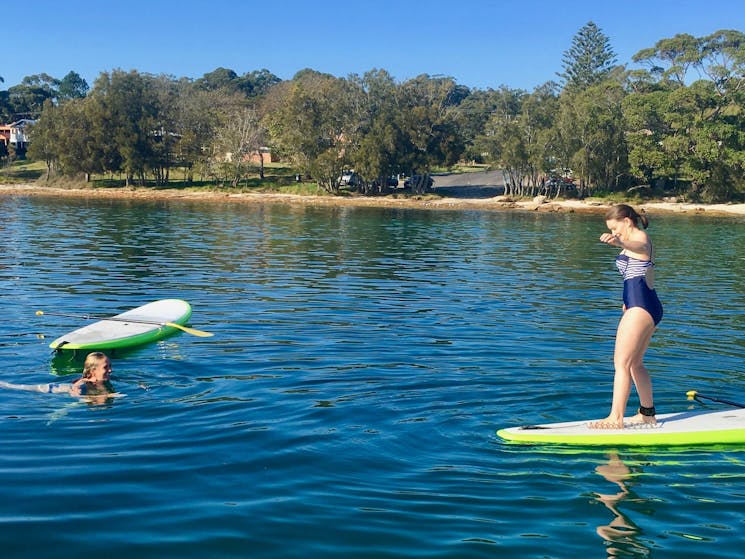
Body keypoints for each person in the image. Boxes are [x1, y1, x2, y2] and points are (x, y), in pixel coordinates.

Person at [590, 204, 663, 429]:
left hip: (641, 307)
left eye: (615, 228)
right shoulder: (632, 239)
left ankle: (615, 417)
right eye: (611, 231)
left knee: (620, 363)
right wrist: (626, 303)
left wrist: (621, 243)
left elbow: (639, 247)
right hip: (642, 305)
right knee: (635, 364)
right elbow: (638, 275)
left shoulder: (640, 238)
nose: (614, 233)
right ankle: (647, 413)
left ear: (627, 221)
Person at [0, 352, 115, 399]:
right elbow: (75, 391)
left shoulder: (96, 381)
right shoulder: (85, 382)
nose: (110, 370)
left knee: (14, 386)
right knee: (13, 387)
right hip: (50, 389)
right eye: (106, 367)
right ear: (93, 370)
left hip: (53, 387)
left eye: (110, 366)